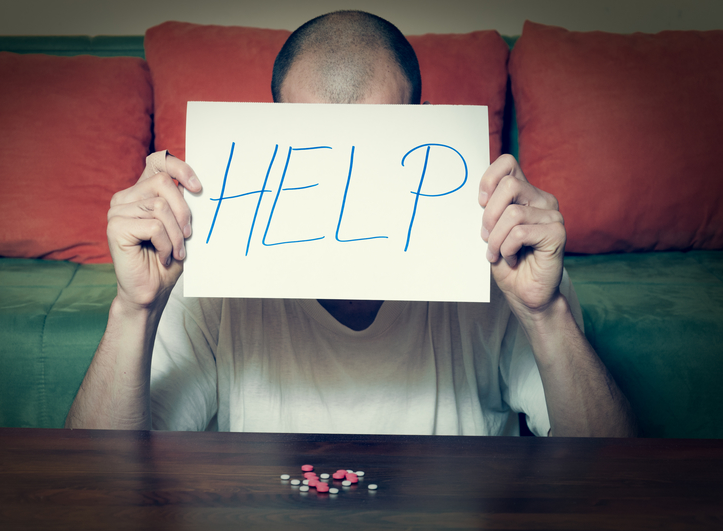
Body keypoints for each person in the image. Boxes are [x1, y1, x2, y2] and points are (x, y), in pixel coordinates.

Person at [65, 11, 637, 437]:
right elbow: (97, 488)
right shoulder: (202, 272)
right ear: (271, 136)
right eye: (317, 145)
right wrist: (132, 309)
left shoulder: (508, 265)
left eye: (374, 143)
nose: (345, 181)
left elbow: (619, 485)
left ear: (425, 133)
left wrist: (547, 315)